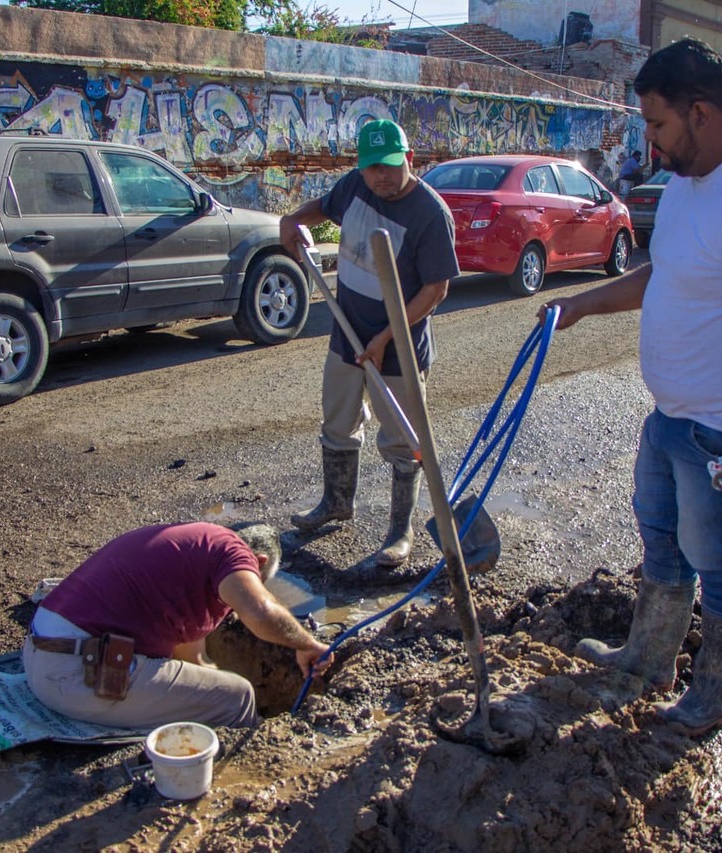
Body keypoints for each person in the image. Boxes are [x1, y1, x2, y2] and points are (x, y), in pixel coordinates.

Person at [540, 38, 722, 737]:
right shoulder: (694, 180)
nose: (651, 141)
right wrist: (583, 303)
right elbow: (665, 272)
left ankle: (710, 696)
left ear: (701, 113)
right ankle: (647, 659)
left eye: (658, 124)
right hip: (676, 417)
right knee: (662, 543)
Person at [278, 119, 459, 568]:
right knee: (338, 421)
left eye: (390, 166)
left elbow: (436, 289)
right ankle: (337, 502)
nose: (380, 176)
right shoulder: (355, 187)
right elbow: (321, 207)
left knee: (402, 438)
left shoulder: (430, 214)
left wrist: (383, 339)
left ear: (409, 160)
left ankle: (401, 531)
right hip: (346, 332)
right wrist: (293, 220)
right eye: (372, 167)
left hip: (397, 346)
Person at [23, 522, 332, 729]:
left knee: (218, 690)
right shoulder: (232, 553)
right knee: (237, 697)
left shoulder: (194, 552)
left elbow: (191, 661)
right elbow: (261, 612)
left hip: (42, 655)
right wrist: (306, 644)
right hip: (77, 675)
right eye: (259, 582)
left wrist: (212, 681)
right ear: (259, 561)